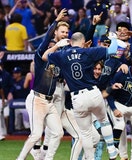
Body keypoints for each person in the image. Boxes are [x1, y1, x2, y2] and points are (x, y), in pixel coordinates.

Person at [45, 30, 121, 159]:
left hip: (77, 98)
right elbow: (113, 51)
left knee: (85, 134)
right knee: (104, 121)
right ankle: (111, 148)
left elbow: (45, 56)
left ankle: (89, 158)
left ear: (70, 42)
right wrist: (114, 39)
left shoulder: (62, 54)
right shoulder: (88, 52)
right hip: (93, 93)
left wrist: (57, 45)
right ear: (83, 42)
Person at [16, 9, 67, 160]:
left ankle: (47, 158)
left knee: (58, 133)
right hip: (37, 99)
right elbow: (46, 41)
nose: (50, 48)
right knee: (36, 134)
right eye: (49, 46)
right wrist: (56, 22)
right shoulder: (39, 57)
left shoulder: (57, 62)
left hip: (49, 101)